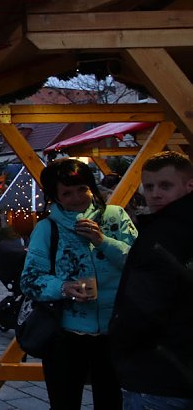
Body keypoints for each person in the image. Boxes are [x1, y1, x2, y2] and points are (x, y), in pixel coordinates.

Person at [20, 158, 137, 410]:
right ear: (55, 197)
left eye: (82, 189)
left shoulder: (114, 216)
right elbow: (30, 280)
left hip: (114, 329)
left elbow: (139, 263)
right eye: (67, 193)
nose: (76, 198)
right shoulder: (47, 228)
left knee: (112, 402)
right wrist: (63, 287)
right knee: (64, 402)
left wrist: (103, 240)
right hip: (66, 333)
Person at [110, 151, 193, 409]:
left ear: (188, 185)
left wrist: (119, 344)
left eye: (165, 186)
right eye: (149, 186)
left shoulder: (162, 236)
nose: (155, 193)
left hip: (159, 373)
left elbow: (143, 307)